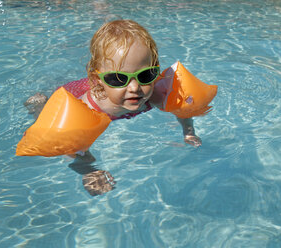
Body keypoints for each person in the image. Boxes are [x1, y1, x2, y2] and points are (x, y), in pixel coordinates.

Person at [25, 20, 202, 196]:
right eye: (117, 78)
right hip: (74, 93)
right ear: (98, 79)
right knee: (46, 118)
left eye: (146, 75)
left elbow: (181, 109)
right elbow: (72, 147)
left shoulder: (153, 92)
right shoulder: (88, 109)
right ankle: (38, 104)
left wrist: (188, 131)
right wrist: (88, 171)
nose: (135, 88)